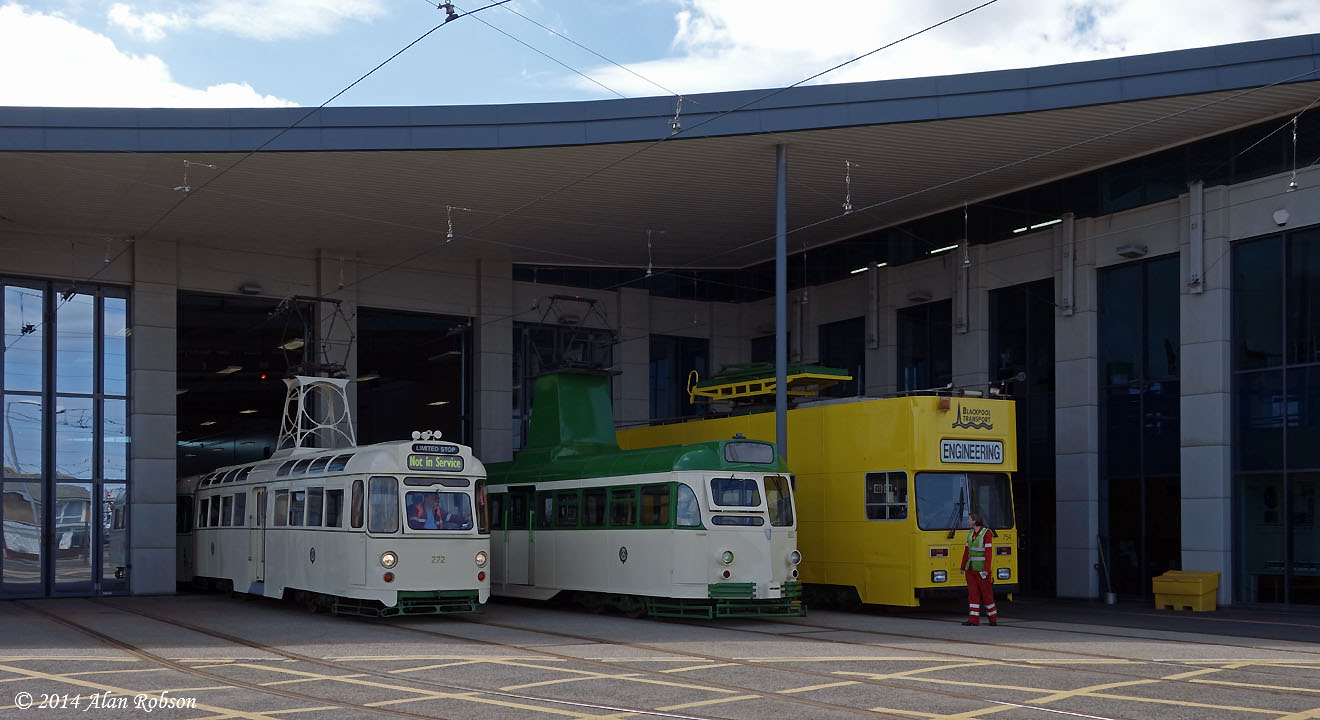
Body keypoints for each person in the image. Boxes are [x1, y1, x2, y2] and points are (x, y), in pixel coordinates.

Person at [960, 510, 998, 626]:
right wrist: (962, 567)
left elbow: (988, 553)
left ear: (974, 521)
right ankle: (973, 620)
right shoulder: (970, 533)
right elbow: (966, 551)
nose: (968, 521)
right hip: (970, 569)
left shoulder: (986, 533)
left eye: (969, 519)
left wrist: (986, 570)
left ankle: (993, 619)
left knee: (987, 594)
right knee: (973, 595)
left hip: (982, 570)